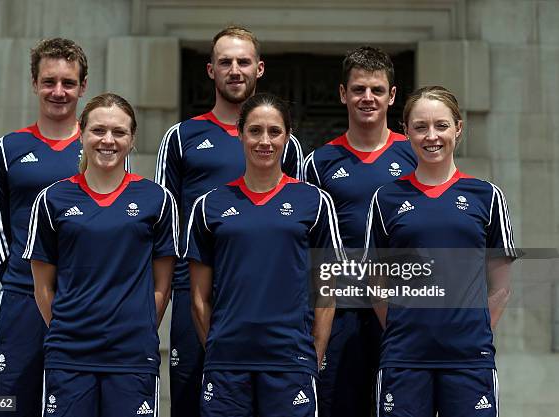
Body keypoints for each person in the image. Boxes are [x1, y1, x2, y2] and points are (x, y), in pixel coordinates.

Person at [155, 25, 304, 417]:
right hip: (195, 294)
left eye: (243, 61)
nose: (234, 69)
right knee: (190, 403)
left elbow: (299, 226)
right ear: (210, 70)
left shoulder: (284, 143)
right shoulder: (181, 136)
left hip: (266, 304)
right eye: (225, 62)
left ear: (259, 68)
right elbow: (164, 222)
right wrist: (165, 292)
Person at [184, 93, 344, 417]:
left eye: (274, 131)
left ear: (287, 137)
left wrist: (313, 354)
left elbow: (326, 292)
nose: (265, 141)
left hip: (291, 361)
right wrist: (217, 347)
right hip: (227, 364)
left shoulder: (315, 202)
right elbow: (199, 298)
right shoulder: (208, 205)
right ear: (240, 134)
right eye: (255, 131)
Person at [364, 86, 516, 417]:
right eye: (420, 126)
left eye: (441, 125)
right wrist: (408, 329)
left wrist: (468, 332)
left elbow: (501, 287)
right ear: (406, 132)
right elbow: (376, 284)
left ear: (458, 128)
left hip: (469, 360)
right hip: (404, 359)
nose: (431, 136)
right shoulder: (385, 199)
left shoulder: (487, 197)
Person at [23, 93, 177, 417]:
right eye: (98, 130)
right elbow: (42, 288)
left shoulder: (157, 200)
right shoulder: (52, 200)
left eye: (119, 132)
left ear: (132, 138)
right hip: (69, 355)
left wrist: (138, 327)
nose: (108, 140)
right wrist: (70, 329)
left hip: (133, 357)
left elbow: (163, 284)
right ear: (81, 132)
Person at [303, 46, 417, 416]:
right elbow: (306, 242)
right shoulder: (318, 163)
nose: (367, 98)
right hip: (340, 311)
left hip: (404, 311)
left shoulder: (417, 154)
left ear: (392, 96)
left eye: (377, 90)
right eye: (358, 89)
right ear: (343, 93)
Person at [0, 38, 89, 417]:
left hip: (82, 302)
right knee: (10, 402)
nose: (58, 92)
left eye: (68, 83)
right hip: (22, 299)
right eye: (49, 82)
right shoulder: (6, 149)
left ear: (83, 87)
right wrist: (23, 279)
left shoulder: (100, 149)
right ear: (34, 83)